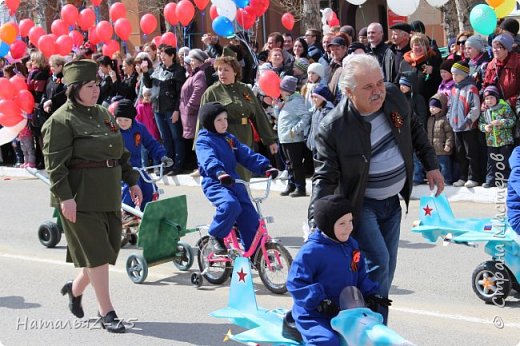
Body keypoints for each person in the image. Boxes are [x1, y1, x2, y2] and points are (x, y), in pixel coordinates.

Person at [308, 54, 443, 324]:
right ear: (348, 92)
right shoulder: (333, 127)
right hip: (362, 205)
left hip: (392, 202)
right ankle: (373, 328)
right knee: (379, 262)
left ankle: (361, 318)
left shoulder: (392, 97)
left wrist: (431, 164)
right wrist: (316, 221)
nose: (378, 91)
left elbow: (413, 128)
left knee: (385, 268)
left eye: (379, 82)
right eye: (368, 87)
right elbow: (325, 177)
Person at [41, 60, 143, 333]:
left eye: (97, 84)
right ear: (74, 89)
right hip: (79, 197)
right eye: (89, 86)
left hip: (107, 193)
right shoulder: (60, 121)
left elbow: (119, 153)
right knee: (97, 254)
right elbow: (55, 166)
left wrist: (132, 181)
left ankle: (74, 290)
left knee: (106, 251)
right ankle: (106, 312)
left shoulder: (104, 114)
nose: (96, 90)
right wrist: (65, 198)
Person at [287, 195, 390, 346]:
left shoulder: (351, 245)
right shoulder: (311, 251)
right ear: (327, 225)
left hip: (345, 311)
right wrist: (319, 302)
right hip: (315, 314)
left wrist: (371, 293)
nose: (349, 227)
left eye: (350, 221)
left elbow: (359, 273)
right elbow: (296, 283)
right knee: (327, 341)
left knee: (371, 335)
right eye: (342, 223)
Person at [195, 102, 279, 253]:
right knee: (230, 205)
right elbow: (208, 158)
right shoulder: (203, 140)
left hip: (233, 181)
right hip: (215, 182)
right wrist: (219, 172)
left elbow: (245, 154)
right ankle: (216, 235)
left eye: (225, 119)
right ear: (209, 122)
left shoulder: (229, 138)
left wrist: (265, 167)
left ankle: (256, 254)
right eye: (219, 120)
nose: (224, 123)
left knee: (250, 217)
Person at [200, 56, 278, 180]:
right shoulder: (212, 92)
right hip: (224, 137)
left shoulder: (245, 89)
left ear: (235, 72)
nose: (221, 73)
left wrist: (270, 140)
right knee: (231, 173)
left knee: (245, 171)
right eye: (219, 69)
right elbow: (203, 121)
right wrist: (202, 148)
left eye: (226, 70)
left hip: (245, 136)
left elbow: (258, 114)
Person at [115, 99, 173, 211]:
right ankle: (125, 215)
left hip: (138, 168)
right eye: (119, 120)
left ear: (132, 119)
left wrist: (162, 156)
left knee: (150, 188)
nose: (122, 123)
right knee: (129, 189)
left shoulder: (139, 128)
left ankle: (147, 217)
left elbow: (151, 143)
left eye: (126, 120)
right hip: (121, 169)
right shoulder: (113, 130)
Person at [142, 45, 187, 175]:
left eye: (164, 55)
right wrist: (145, 72)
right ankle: (168, 164)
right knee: (165, 137)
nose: (162, 57)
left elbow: (180, 93)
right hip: (158, 108)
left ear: (172, 55)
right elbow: (148, 84)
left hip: (171, 108)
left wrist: (176, 110)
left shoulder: (178, 70)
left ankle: (178, 165)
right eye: (160, 55)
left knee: (176, 137)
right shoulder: (159, 69)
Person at [447, 61, 484, 188]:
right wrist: (449, 118)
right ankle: (462, 176)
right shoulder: (453, 89)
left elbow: (475, 108)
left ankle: (473, 177)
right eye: (452, 74)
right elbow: (450, 106)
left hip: (468, 127)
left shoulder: (471, 88)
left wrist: (467, 121)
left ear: (464, 74)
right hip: (456, 127)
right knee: (460, 152)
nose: (454, 77)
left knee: (471, 153)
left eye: (456, 74)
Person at [274, 76, 311, 197]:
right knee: (289, 164)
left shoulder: (296, 101)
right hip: (285, 138)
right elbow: (280, 117)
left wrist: (294, 130)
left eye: (282, 88)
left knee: (296, 164)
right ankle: (291, 185)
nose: (280, 91)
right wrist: (277, 107)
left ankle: (300, 188)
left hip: (293, 139)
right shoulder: (286, 101)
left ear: (287, 89)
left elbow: (306, 116)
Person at [478, 86, 515, 188]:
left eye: (491, 98)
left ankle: (505, 180)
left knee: (504, 161)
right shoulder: (485, 111)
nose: (489, 100)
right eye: (486, 98)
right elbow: (480, 124)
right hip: (491, 141)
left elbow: (512, 120)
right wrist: (485, 127)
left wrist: (501, 122)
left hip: (505, 141)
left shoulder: (504, 107)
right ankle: (490, 180)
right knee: (491, 162)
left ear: (496, 97)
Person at [427, 93, 454, 185]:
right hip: (433, 149)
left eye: (434, 107)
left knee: (444, 165)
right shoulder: (430, 119)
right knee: (435, 167)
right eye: (430, 107)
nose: (432, 109)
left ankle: (446, 180)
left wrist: (448, 145)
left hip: (442, 149)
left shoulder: (444, 120)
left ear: (441, 107)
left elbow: (449, 133)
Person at [306, 84, 334, 156]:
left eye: (316, 97)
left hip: (323, 148)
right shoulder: (316, 109)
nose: (313, 99)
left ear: (323, 98)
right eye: (313, 97)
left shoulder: (328, 112)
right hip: (314, 146)